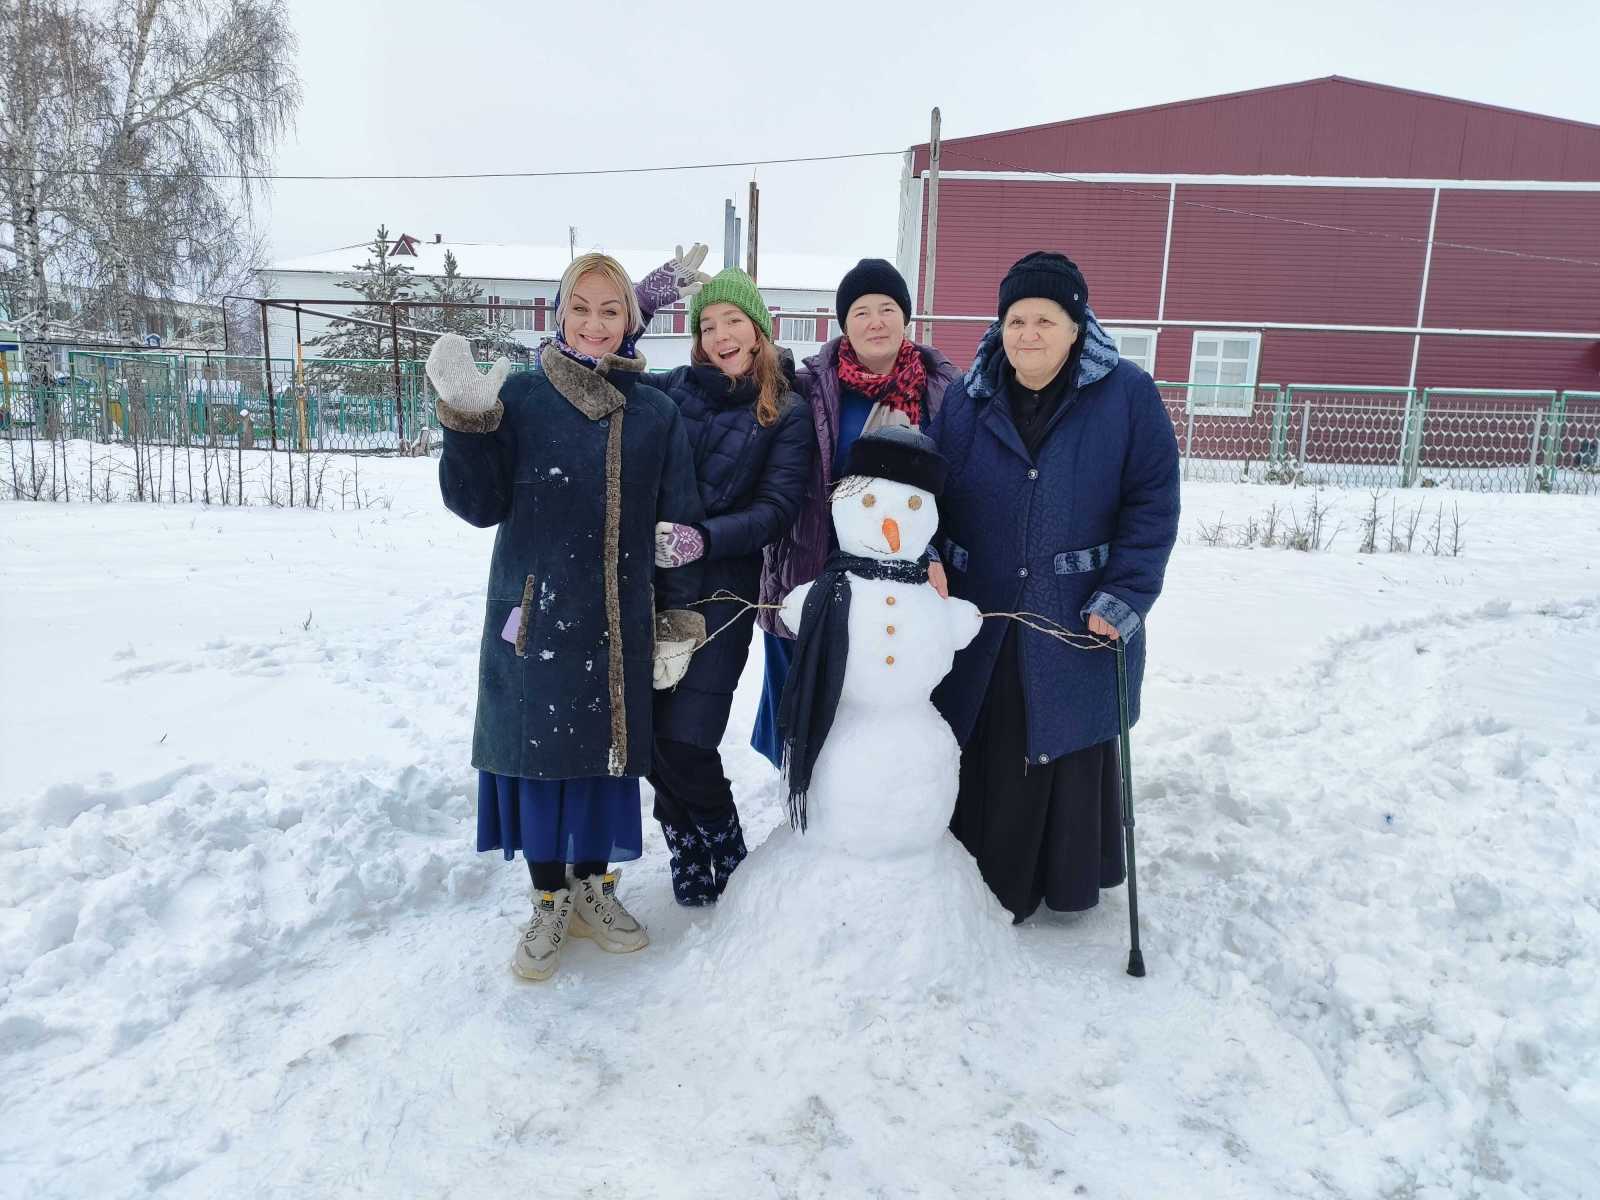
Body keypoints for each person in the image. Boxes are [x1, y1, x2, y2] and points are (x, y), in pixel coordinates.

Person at [427, 251, 708, 980]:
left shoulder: (657, 414)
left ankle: (595, 889)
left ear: (630, 321)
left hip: (620, 623)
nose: (594, 323)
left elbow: (677, 528)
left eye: (610, 310)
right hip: (535, 619)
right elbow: (477, 504)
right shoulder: (521, 397)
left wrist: (677, 617)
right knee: (541, 764)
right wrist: (467, 424)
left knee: (606, 765)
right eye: (580, 308)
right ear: (559, 314)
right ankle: (550, 900)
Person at [928, 251, 1180, 923]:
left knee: (1060, 731)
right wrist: (928, 553)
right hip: (982, 611)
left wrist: (1124, 596)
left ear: (1076, 327)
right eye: (1016, 320)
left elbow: (1152, 504)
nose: (1028, 334)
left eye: (1045, 319)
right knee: (991, 733)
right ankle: (977, 884)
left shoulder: (1127, 394)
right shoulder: (968, 397)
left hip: (1077, 613)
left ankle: (1058, 881)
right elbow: (930, 491)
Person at [642, 267, 814, 905]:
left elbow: (776, 509)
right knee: (649, 734)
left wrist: (705, 539)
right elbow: (599, 376)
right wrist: (635, 312)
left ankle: (726, 847)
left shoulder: (786, 411)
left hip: (723, 591)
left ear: (759, 329)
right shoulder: (674, 389)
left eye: (733, 321)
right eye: (707, 325)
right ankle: (684, 846)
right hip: (652, 585)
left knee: (688, 738)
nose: (720, 335)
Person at [748, 258, 959, 768]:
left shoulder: (943, 390)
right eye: (861, 311)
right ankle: (799, 802)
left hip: (903, 577)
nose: (875, 322)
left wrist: (933, 550)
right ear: (844, 323)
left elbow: (957, 487)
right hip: (812, 564)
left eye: (887, 308)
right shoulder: (808, 386)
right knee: (802, 710)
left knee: (879, 711)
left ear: (906, 316)